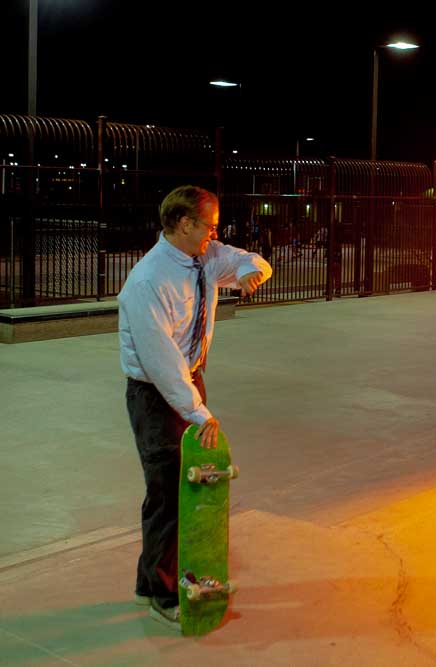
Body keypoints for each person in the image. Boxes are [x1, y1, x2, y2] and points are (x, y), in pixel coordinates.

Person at [118, 185, 272, 630]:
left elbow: (250, 260)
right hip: (154, 392)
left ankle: (147, 582)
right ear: (185, 224)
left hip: (188, 379)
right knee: (168, 491)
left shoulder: (203, 257)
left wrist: (250, 272)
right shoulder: (148, 281)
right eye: (210, 226)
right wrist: (200, 413)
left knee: (176, 490)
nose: (215, 234)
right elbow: (161, 364)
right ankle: (163, 593)